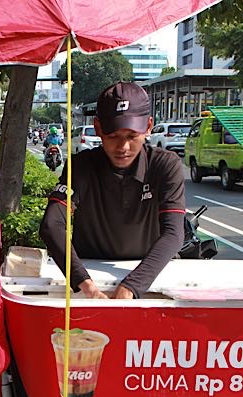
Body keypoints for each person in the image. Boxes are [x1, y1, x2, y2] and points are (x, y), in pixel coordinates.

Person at [39, 81, 185, 299]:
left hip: (149, 277)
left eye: (131, 136)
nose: (123, 147)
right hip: (89, 279)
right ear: (98, 129)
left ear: (148, 126)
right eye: (113, 136)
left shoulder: (165, 165)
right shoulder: (81, 166)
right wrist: (83, 283)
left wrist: (132, 286)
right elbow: (52, 224)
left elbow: (174, 234)